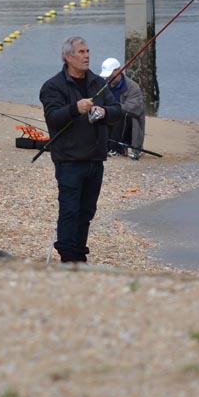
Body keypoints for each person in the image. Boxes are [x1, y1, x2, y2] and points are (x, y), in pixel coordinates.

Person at [39, 37, 120, 263]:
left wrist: (103, 112)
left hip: (95, 158)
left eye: (88, 51)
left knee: (86, 212)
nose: (86, 56)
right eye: (81, 52)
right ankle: (67, 256)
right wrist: (75, 108)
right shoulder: (53, 86)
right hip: (69, 159)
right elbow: (53, 118)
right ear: (68, 57)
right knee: (70, 210)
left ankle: (79, 254)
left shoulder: (96, 82)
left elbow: (117, 109)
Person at [99, 57, 146, 160]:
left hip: (128, 123)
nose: (108, 78)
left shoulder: (133, 87)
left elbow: (135, 108)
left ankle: (118, 149)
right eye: (106, 76)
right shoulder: (103, 86)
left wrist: (112, 109)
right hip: (108, 119)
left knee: (120, 113)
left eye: (110, 75)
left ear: (118, 71)